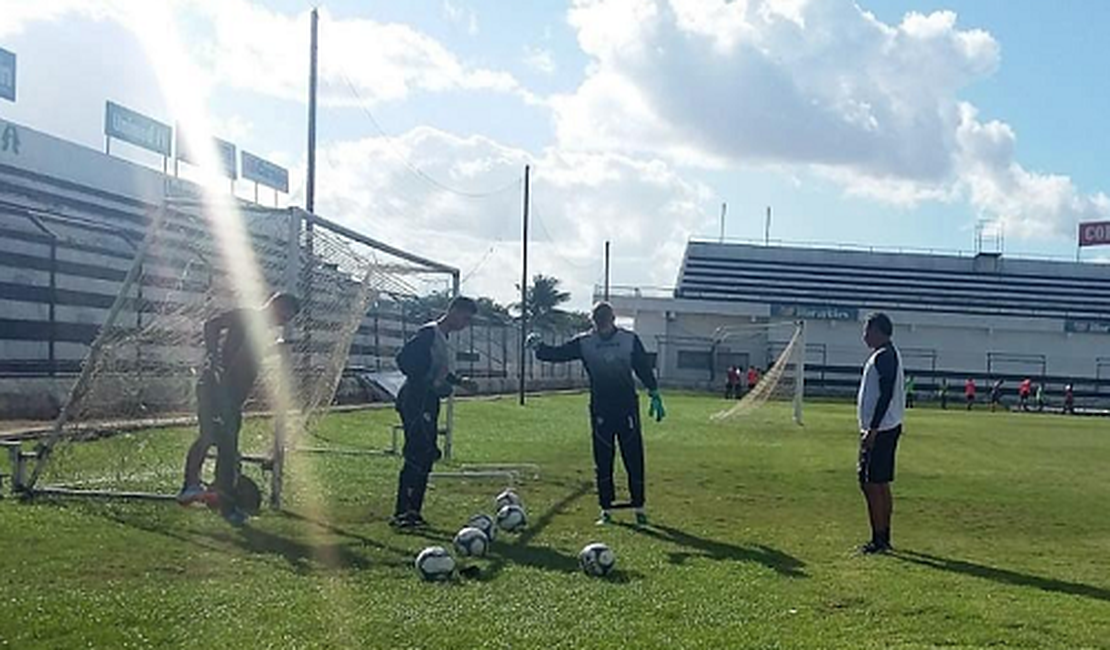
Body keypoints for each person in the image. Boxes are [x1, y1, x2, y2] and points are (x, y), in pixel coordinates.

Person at [528, 301, 664, 526]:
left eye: (605, 323)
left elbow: (642, 366)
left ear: (613, 320)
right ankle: (606, 508)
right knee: (603, 457)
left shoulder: (629, 340)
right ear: (593, 323)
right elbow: (559, 354)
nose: (602, 328)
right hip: (601, 407)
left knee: (633, 455)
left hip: (626, 406)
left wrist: (654, 391)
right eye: (598, 324)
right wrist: (538, 348)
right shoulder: (585, 342)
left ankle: (639, 506)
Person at [177, 292, 301, 526]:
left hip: (231, 396)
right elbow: (211, 325)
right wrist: (213, 356)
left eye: (290, 317)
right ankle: (204, 493)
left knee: (223, 444)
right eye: (284, 313)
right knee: (217, 441)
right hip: (214, 387)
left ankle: (210, 494)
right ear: (273, 305)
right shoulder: (247, 316)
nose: (285, 319)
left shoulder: (264, 333)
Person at [390, 296, 479, 530]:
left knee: (426, 453)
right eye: (464, 317)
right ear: (452, 311)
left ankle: (413, 511)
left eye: (469, 320)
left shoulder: (442, 338)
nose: (465, 323)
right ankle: (404, 513)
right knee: (417, 452)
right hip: (416, 398)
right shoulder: (429, 333)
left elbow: (437, 368)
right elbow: (404, 359)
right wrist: (425, 381)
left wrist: (458, 381)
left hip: (427, 399)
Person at [856, 312, 905, 555]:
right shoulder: (886, 355)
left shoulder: (885, 356)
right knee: (880, 483)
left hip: (881, 429)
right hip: (887, 427)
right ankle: (883, 535)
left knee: (871, 483)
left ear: (877, 330)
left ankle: (879, 538)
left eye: (867, 330)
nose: (864, 335)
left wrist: (872, 428)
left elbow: (884, 395)